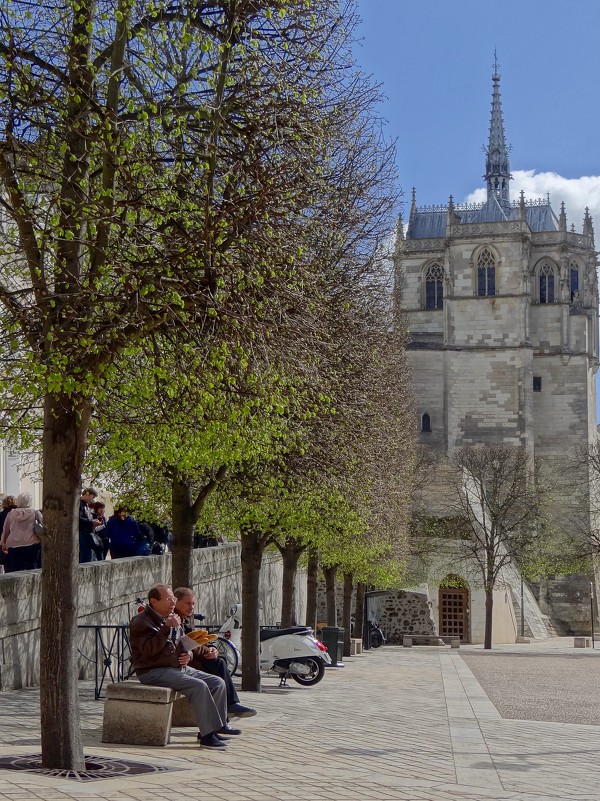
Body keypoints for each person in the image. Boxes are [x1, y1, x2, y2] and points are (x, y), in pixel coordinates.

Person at [129, 584, 233, 749]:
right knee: (199, 686)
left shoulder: (171, 619)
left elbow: (183, 644)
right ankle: (207, 737)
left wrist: (189, 655)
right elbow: (149, 650)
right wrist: (166, 628)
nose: (173, 603)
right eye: (169, 599)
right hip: (153, 671)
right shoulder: (141, 622)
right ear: (154, 602)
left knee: (217, 683)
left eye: (173, 599)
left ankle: (212, 729)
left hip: (176, 668)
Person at [174, 587, 256, 719]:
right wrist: (207, 651)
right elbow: (186, 644)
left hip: (190, 661)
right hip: (181, 664)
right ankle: (225, 712)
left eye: (193, 604)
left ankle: (224, 715)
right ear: (176, 601)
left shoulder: (185, 619)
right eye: (187, 603)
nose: (191, 607)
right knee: (217, 668)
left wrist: (212, 648)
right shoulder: (175, 620)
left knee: (217, 666)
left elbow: (198, 640)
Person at [0, 493, 42, 572]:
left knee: (14, 570)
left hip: (14, 545)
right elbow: (43, 526)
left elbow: (6, 529)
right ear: (30, 502)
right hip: (32, 544)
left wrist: (3, 543)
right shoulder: (35, 513)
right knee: (33, 569)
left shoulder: (11, 514)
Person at [79, 487, 103, 563]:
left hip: (87, 531)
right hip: (82, 532)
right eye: (92, 497)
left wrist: (92, 522)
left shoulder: (86, 506)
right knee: (85, 553)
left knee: (89, 553)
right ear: (87, 494)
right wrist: (91, 523)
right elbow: (78, 519)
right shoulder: (79, 504)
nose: (92, 500)